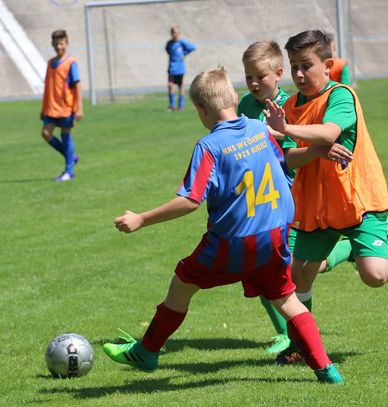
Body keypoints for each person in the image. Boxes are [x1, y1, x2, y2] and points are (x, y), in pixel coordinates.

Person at [103, 67, 343, 384]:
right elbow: (284, 161)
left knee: (182, 282)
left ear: (201, 110)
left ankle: (147, 352)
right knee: (287, 299)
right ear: (234, 97)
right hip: (273, 235)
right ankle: (326, 369)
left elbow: (191, 199)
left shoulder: (210, 146)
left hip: (233, 240)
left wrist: (141, 218)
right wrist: (317, 150)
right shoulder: (260, 130)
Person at [265, 29, 388, 363]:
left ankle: (350, 247)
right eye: (293, 67)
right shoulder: (289, 106)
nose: (299, 74)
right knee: (299, 273)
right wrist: (316, 151)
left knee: (375, 276)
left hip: (358, 201)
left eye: (306, 65)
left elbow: (330, 131)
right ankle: (300, 347)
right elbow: (289, 157)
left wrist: (285, 129)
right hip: (316, 205)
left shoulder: (341, 95)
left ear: (328, 65)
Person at [238, 40, 353, 356]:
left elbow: (295, 153)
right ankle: (348, 250)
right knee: (266, 269)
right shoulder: (246, 105)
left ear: (278, 74)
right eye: (249, 76)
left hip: (289, 198)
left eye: (260, 76)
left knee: (282, 270)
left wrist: (306, 147)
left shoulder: (292, 105)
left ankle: (293, 339)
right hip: (258, 198)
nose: (254, 83)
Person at [41, 29, 83, 182]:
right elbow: (47, 87)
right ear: (52, 44)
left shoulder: (71, 63)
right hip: (51, 107)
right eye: (56, 43)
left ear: (67, 43)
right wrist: (43, 108)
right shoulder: (50, 63)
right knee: (46, 133)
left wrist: (79, 108)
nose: (59, 46)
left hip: (66, 107)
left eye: (62, 43)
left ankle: (69, 171)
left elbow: (77, 85)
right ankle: (71, 156)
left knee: (66, 137)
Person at [165, 25, 196, 111]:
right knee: (170, 86)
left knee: (180, 86)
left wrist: (184, 53)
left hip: (180, 69)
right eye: (174, 32)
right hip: (172, 68)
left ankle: (181, 106)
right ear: (171, 33)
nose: (175, 34)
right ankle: (172, 106)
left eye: (177, 32)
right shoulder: (169, 44)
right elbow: (167, 50)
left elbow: (193, 47)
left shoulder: (182, 42)